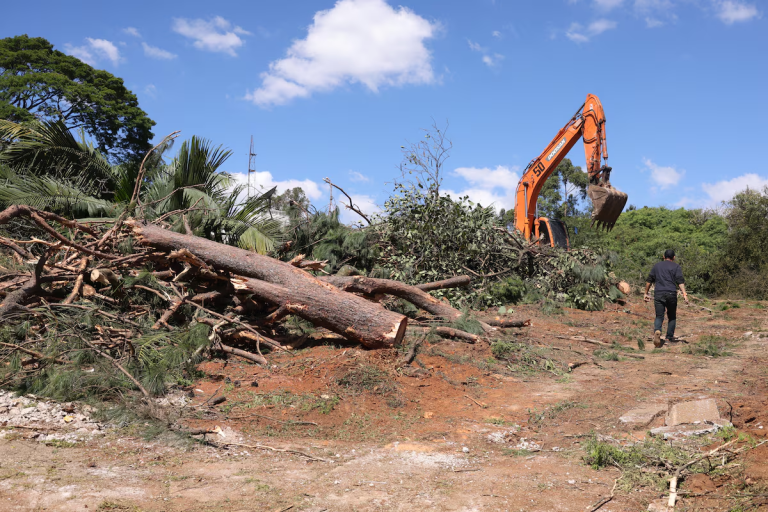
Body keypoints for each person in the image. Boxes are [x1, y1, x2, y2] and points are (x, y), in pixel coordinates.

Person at [644, 249, 689, 347]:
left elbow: (649, 280)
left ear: (663, 257)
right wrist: (684, 294)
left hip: (659, 293)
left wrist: (646, 293)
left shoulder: (657, 266)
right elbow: (680, 281)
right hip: (671, 293)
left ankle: (657, 330)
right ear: (674, 257)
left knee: (659, 316)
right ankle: (668, 338)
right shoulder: (676, 267)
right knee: (672, 316)